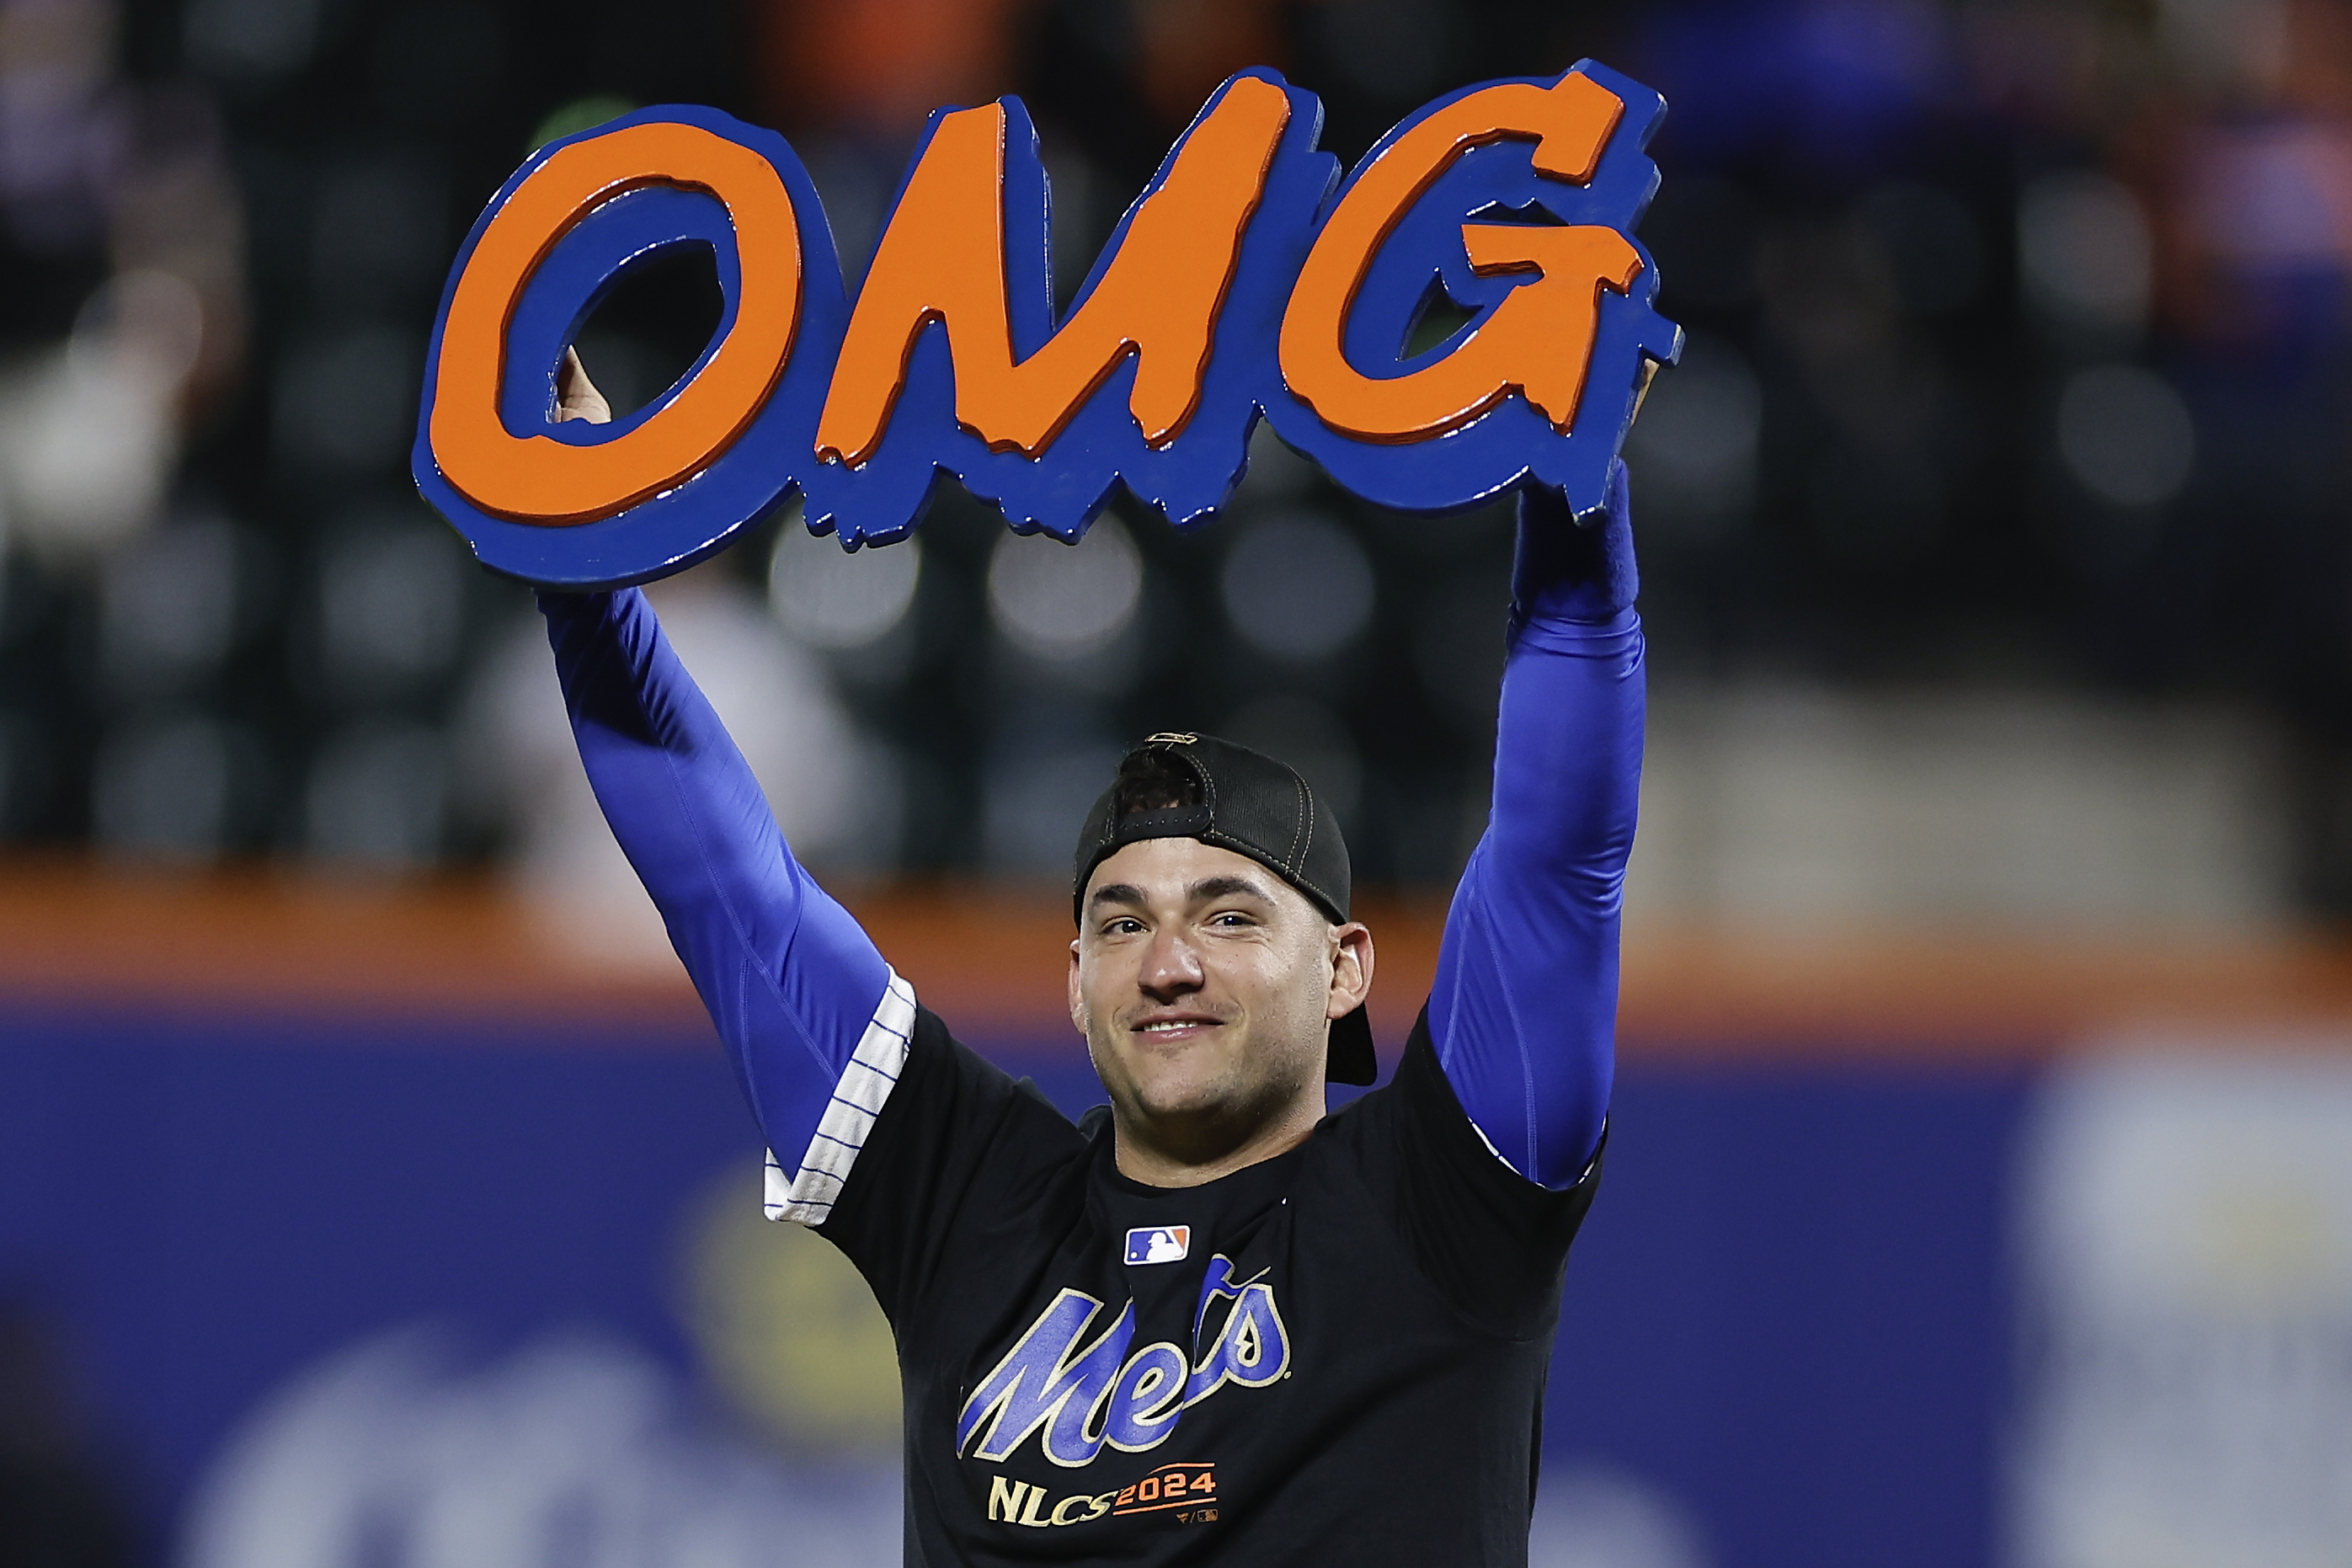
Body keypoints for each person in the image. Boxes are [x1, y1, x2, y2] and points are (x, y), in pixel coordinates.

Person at [540, 354, 1642, 1564]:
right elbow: (725, 884)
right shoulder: (970, 1198)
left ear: (1343, 969)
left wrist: (1574, 501)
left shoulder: (1440, 1198)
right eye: (1121, 922)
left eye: (1228, 916)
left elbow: (1556, 850)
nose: (1165, 961)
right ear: (1073, 982)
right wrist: (587, 583)